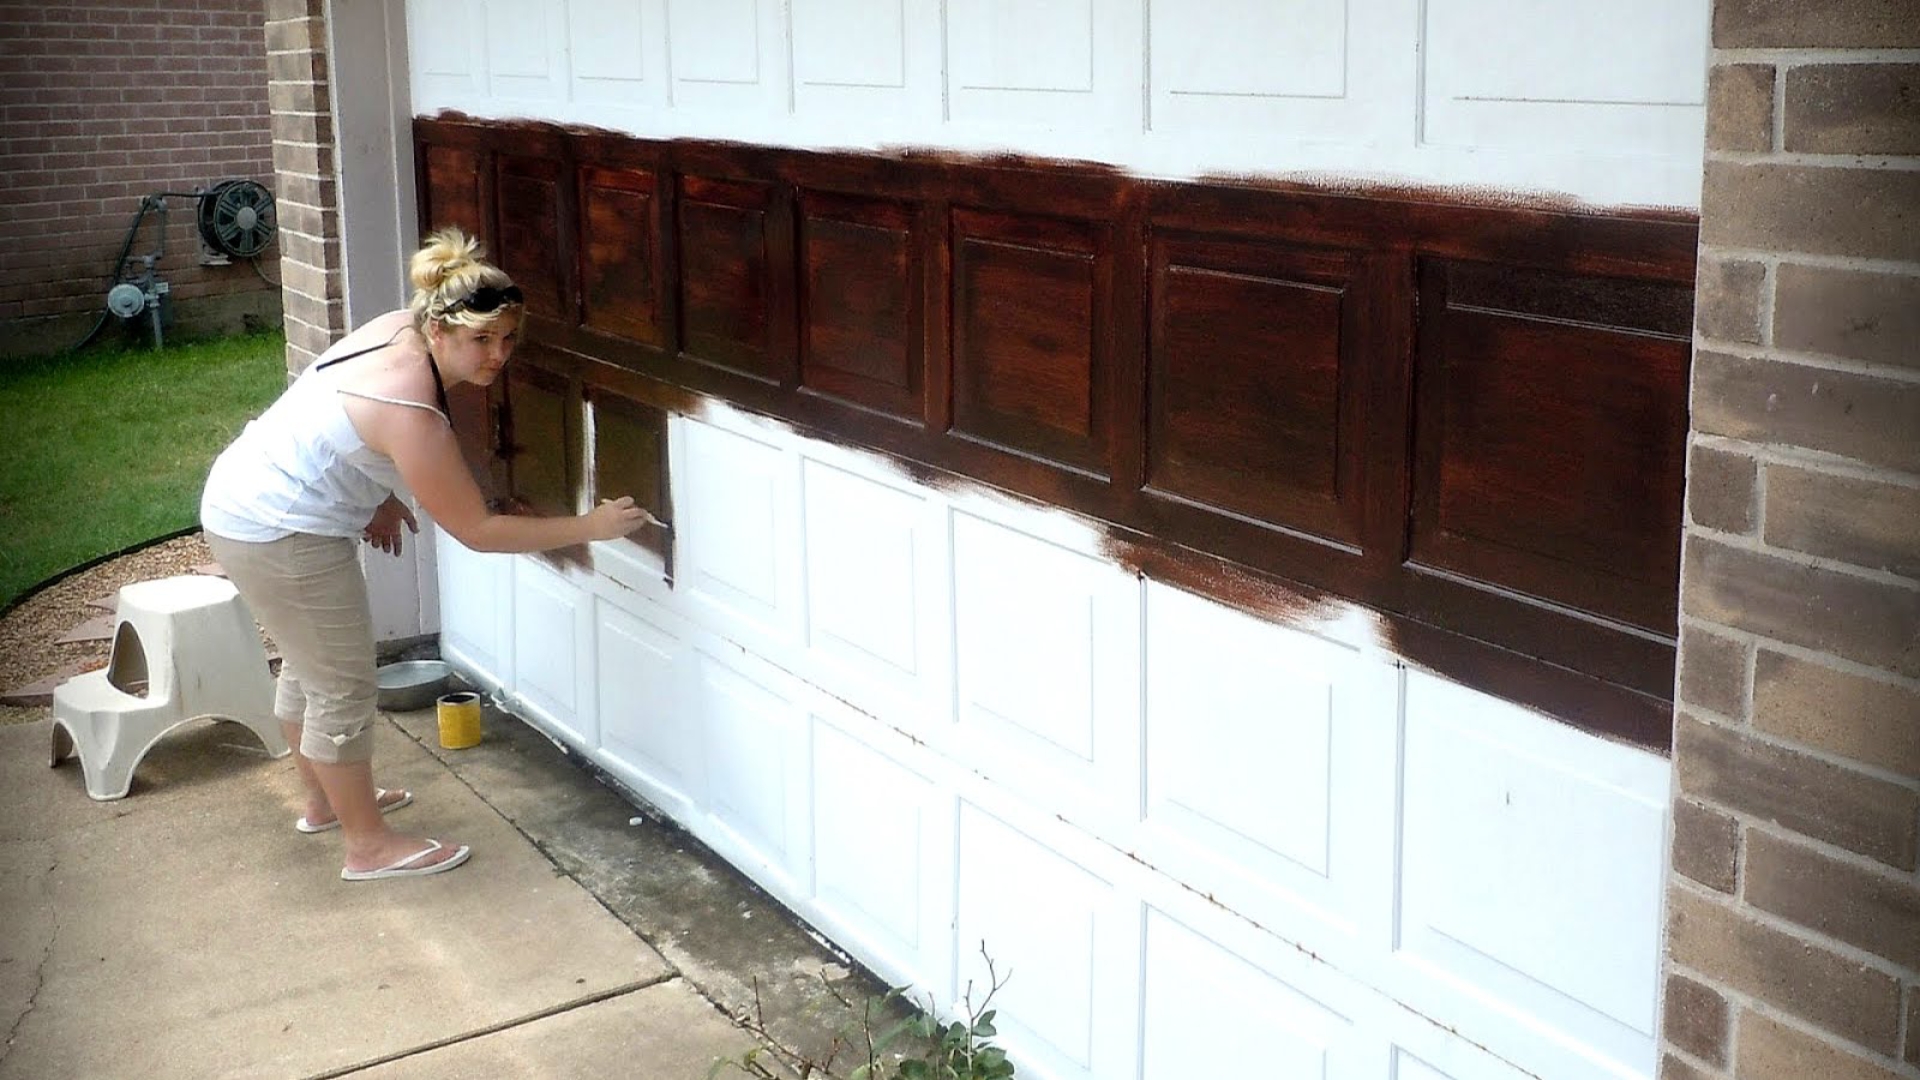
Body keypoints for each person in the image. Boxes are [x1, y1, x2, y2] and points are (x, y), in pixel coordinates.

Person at [200, 228, 648, 881]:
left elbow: (335, 417)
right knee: (342, 684)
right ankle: (367, 847)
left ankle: (327, 801)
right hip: (279, 527)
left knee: (311, 665)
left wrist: (369, 495)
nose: (498, 356)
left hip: (251, 501)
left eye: (507, 338)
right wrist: (590, 525)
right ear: (440, 332)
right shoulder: (413, 408)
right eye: (481, 340)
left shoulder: (395, 327)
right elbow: (478, 530)